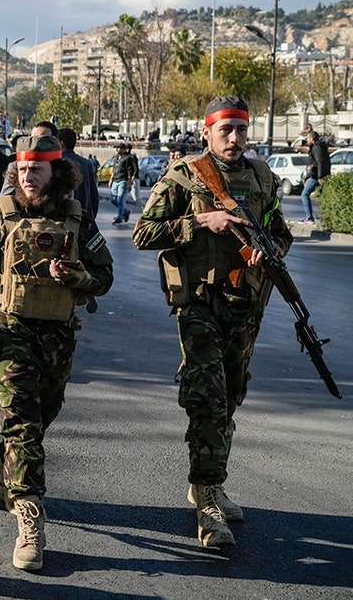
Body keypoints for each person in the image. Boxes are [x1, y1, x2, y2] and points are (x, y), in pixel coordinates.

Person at [132, 96, 292, 550]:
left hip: (247, 305)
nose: (236, 139)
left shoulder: (261, 176)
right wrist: (203, 220)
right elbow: (145, 232)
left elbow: (279, 230)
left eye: (242, 129)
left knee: (232, 396)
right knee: (208, 399)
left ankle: (211, 483)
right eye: (227, 131)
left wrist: (271, 250)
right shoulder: (185, 175)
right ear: (207, 132)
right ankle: (207, 498)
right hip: (201, 305)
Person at [0, 134, 113, 571]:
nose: (27, 177)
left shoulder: (77, 220)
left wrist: (79, 276)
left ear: (56, 173)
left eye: (36, 170)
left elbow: (104, 276)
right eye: (22, 170)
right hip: (10, 334)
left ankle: (8, 477)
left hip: (59, 337)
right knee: (21, 422)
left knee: (42, 416)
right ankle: (30, 520)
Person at [56, 128, 100, 219]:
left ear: (61, 144)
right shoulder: (86, 163)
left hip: (63, 218)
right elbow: (94, 196)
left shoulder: (57, 163)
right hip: (84, 217)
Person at [300, 130, 331, 224]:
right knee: (323, 196)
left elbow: (319, 162)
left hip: (317, 176)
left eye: (308, 138)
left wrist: (320, 176)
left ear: (312, 139)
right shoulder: (318, 147)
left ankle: (309, 218)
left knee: (305, 194)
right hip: (318, 175)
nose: (307, 140)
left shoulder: (316, 148)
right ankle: (326, 219)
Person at [108, 143, 138, 225]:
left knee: (120, 200)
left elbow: (130, 172)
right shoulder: (116, 158)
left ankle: (119, 218)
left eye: (119, 148)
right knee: (113, 200)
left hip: (123, 181)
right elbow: (114, 170)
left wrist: (130, 183)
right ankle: (126, 211)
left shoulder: (128, 158)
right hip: (116, 180)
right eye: (117, 148)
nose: (117, 150)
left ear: (124, 149)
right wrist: (111, 179)